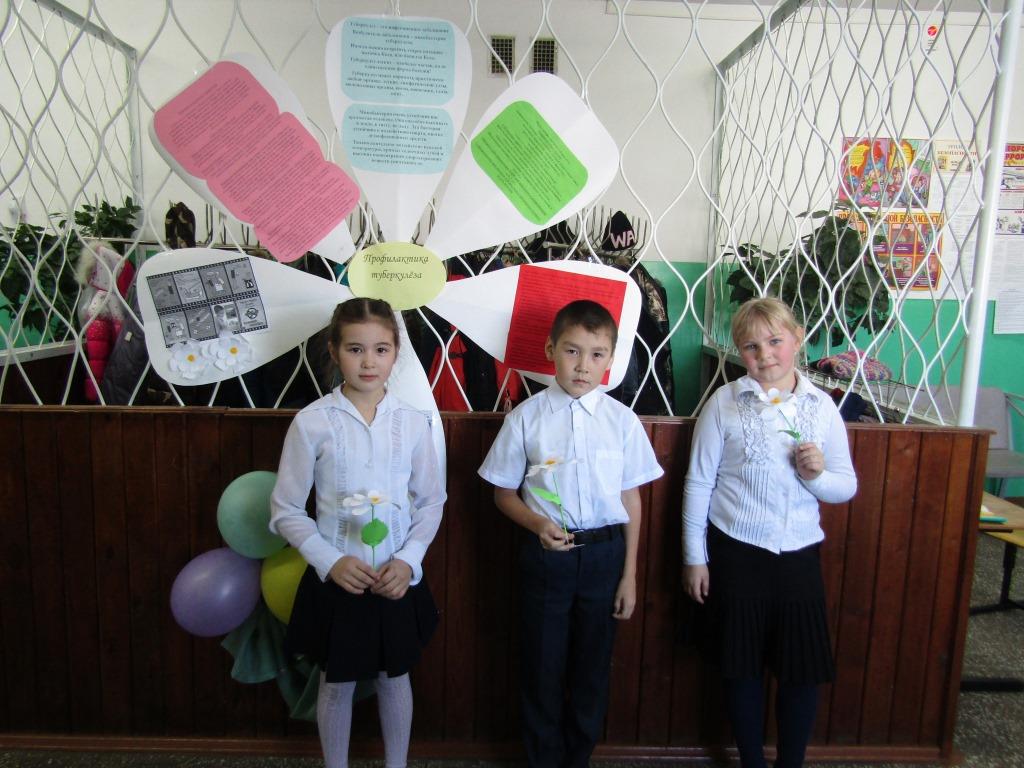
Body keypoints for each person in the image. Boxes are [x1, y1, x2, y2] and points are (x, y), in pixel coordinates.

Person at [478, 299, 664, 768]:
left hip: (605, 558)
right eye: (572, 351)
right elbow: (503, 494)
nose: (583, 366)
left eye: (596, 354)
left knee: (591, 670)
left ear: (611, 359)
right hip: (546, 559)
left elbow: (631, 500)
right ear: (551, 350)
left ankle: (578, 758)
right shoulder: (526, 418)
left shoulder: (622, 422)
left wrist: (629, 575)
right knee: (542, 668)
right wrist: (538, 523)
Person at [269, 297, 446, 768]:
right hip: (338, 579)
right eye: (355, 349)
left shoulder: (413, 423)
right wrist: (330, 562)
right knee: (337, 682)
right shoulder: (311, 422)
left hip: (395, 577)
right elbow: (285, 508)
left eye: (381, 349)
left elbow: (431, 501)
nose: (369, 362)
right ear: (334, 350)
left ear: (395, 353)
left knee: (395, 678)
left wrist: (408, 560)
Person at [682, 297, 857, 768]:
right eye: (752, 347)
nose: (765, 355)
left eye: (775, 341)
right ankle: (752, 762)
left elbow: (846, 486)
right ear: (740, 352)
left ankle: (790, 762)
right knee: (741, 667)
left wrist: (816, 475)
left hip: (798, 554)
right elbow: (699, 482)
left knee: (800, 671)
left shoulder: (822, 407)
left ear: (797, 339)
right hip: (737, 551)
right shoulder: (724, 403)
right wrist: (694, 557)